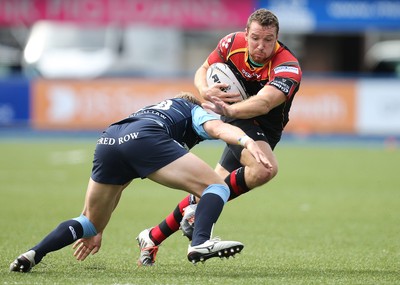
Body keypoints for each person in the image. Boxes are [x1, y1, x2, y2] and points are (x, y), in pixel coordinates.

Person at [9, 93, 271, 273]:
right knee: (217, 187)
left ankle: (33, 254)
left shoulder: (154, 109)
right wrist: (246, 140)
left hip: (109, 138)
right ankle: (200, 242)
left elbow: (121, 182)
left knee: (88, 221)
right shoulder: (193, 110)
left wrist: (100, 227)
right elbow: (218, 129)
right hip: (146, 139)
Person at [136, 8, 302, 266]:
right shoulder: (230, 43)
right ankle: (194, 218)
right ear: (246, 34)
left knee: (208, 188)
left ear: (277, 39)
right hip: (239, 120)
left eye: (268, 40)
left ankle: (152, 236)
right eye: (256, 37)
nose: (261, 45)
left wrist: (229, 110)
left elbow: (264, 103)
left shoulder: (288, 66)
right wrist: (206, 90)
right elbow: (203, 69)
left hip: (261, 124)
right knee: (263, 169)